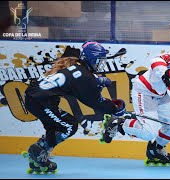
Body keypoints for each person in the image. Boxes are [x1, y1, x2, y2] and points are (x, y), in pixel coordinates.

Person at [100, 35, 170, 165]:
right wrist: (166, 74)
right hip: (144, 92)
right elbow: (156, 60)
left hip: (160, 96)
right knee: (148, 132)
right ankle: (119, 122)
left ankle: (156, 149)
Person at [24, 41, 126, 172]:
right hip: (40, 100)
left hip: (36, 97)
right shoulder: (84, 76)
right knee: (70, 126)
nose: (101, 65)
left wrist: (96, 80)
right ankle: (39, 150)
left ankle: (38, 156)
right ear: (91, 59)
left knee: (57, 126)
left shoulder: (77, 66)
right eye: (99, 61)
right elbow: (95, 102)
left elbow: (77, 79)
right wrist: (115, 109)